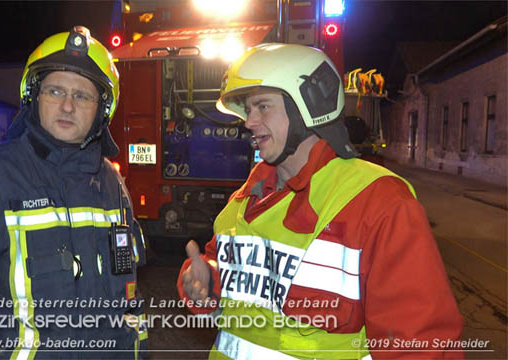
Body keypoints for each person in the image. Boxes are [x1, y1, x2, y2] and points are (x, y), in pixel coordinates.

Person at [177, 43, 463, 359]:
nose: (249, 121)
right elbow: (239, 284)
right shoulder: (244, 199)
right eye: (247, 109)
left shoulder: (377, 201)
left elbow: (419, 344)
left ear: (309, 105)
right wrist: (205, 284)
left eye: (263, 107)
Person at [0, 26, 148, 359]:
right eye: (54, 91)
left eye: (82, 95)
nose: (66, 106)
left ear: (102, 109)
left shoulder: (112, 185)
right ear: (33, 96)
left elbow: (127, 303)